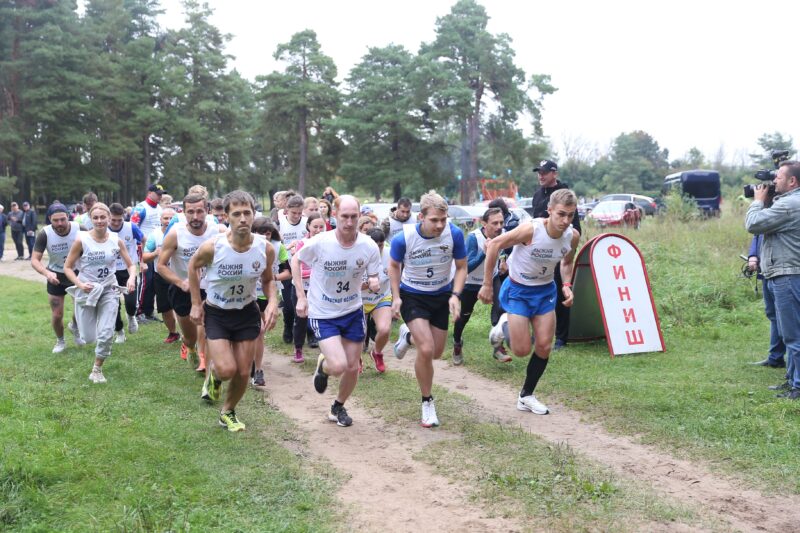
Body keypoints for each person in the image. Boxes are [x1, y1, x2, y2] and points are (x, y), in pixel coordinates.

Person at [478, 189, 580, 415]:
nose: (565, 221)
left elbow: (566, 262)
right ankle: (502, 326)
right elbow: (494, 245)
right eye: (561, 214)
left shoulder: (572, 236)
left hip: (545, 292)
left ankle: (526, 396)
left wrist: (566, 285)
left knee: (544, 346)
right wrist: (487, 284)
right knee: (522, 350)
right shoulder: (530, 230)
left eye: (571, 215)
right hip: (518, 290)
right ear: (549, 210)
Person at [189, 190, 278, 432]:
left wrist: (271, 303)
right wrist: (197, 303)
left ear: (253, 215)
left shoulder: (265, 248)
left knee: (242, 370)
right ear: (226, 216)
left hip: (247, 311)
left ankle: (227, 411)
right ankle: (215, 376)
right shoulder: (213, 247)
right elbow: (193, 267)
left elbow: (269, 280)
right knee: (227, 369)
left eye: (247, 213)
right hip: (217, 312)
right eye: (236, 214)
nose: (242, 219)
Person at [294, 195, 382, 427]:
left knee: (353, 366)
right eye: (345, 216)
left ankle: (338, 406)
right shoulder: (321, 242)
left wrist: (373, 280)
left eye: (354, 216)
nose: (350, 222)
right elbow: (295, 260)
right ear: (334, 215)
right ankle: (323, 368)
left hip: (352, 310)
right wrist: (301, 298)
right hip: (323, 312)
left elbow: (373, 273)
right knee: (338, 365)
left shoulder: (368, 245)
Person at [389, 192, 467, 428]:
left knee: (435, 353)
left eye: (443, 219)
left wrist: (455, 295)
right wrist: (395, 298)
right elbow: (393, 265)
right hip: (413, 295)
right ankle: (427, 402)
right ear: (421, 217)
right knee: (426, 348)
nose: (440, 225)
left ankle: (408, 336)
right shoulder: (404, 238)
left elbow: (462, 267)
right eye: (434, 220)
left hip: (441, 295)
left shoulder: (454, 234)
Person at [63, 202, 137, 383]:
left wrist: (131, 278)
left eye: (103, 217)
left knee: (106, 332)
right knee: (88, 338)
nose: (99, 221)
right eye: (95, 217)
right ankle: (75, 326)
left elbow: (130, 264)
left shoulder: (116, 239)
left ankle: (97, 369)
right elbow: (68, 268)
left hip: (109, 288)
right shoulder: (81, 240)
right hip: (87, 290)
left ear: (109, 218)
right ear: (90, 219)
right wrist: (79, 284)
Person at [745, 161, 800, 400]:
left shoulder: (789, 204)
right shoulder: (787, 202)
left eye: (778, 177)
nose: (773, 181)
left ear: (792, 181)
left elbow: (753, 224)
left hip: (788, 276)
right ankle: (791, 380)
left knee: (794, 335)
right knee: (790, 334)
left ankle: (798, 386)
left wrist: (757, 201)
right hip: (785, 274)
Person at [158, 193, 225, 372]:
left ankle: (206, 362)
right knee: (190, 336)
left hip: (210, 288)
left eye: (200, 211)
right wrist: (181, 283)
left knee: (208, 327)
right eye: (190, 212)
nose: (195, 217)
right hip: (183, 289)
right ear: (183, 212)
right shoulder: (175, 234)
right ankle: (190, 347)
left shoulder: (218, 231)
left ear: (207, 211)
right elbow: (161, 266)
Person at [530, 159, 582, 350]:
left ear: (555, 174)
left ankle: (561, 338)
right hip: (537, 252)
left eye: (544, 172)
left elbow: (575, 227)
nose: (540, 176)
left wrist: (564, 245)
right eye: (539, 172)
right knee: (537, 292)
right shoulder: (537, 195)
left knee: (561, 292)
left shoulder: (565, 196)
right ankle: (537, 333)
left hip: (558, 251)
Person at [452, 207, 508, 365]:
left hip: (493, 278)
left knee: (501, 309)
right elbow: (466, 266)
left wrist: (504, 261)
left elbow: (505, 252)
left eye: (501, 222)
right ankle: (457, 343)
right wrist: (484, 252)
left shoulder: (503, 235)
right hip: (471, 283)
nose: (499, 227)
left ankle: (498, 347)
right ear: (484, 223)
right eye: (494, 223)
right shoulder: (473, 237)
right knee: (464, 316)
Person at [30, 202, 85, 352]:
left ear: (68, 216)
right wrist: (47, 273)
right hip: (56, 276)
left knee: (80, 309)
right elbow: (34, 260)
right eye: (55, 220)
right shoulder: (45, 233)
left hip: (76, 274)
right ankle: (60, 341)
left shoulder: (79, 229)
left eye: (62, 219)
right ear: (49, 219)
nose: (60, 223)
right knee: (57, 313)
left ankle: (75, 328)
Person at [251, 217, 291, 387]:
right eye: (261, 234)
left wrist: (271, 278)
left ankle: (257, 369)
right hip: (249, 296)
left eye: (267, 234)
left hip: (268, 296)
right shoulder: (247, 246)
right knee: (254, 332)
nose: (265, 238)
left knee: (259, 332)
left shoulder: (277, 247)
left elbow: (287, 272)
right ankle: (250, 364)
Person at [290, 213, 327, 363]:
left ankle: (325, 350)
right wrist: (312, 272)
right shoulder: (302, 243)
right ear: (308, 227)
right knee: (301, 319)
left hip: (320, 289)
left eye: (321, 227)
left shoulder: (328, 242)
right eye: (315, 227)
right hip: (301, 288)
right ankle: (298, 348)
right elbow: (297, 266)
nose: (318, 230)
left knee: (323, 318)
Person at [142, 207, 181, 344]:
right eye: (166, 218)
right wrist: (155, 253)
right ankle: (173, 333)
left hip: (180, 275)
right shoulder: (155, 235)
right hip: (161, 275)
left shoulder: (183, 233)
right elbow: (145, 257)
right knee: (165, 307)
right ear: (160, 220)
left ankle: (189, 334)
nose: (169, 221)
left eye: (172, 218)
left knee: (183, 306)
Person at [747, 234, 786, 368]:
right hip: (766, 270)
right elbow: (757, 233)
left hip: (783, 272)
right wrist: (752, 255)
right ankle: (775, 357)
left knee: (787, 318)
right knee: (773, 315)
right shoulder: (765, 214)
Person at [108, 203, 144, 343]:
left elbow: (143, 240)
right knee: (113, 304)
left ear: (124, 217)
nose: (116, 223)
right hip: (111, 272)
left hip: (129, 270)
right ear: (109, 218)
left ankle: (131, 316)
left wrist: (142, 260)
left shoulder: (131, 227)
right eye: (113, 220)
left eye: (119, 220)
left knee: (130, 301)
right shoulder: (103, 230)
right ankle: (120, 331)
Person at [131, 184, 166, 322]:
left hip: (157, 248)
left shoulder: (160, 208)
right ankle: (138, 312)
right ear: (149, 192)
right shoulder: (141, 208)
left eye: (161, 193)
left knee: (153, 281)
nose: (160, 196)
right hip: (144, 249)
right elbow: (132, 227)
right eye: (158, 193)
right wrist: (140, 248)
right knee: (145, 281)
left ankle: (149, 311)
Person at [362, 228, 392, 373]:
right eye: (375, 244)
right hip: (358, 300)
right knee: (359, 334)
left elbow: (396, 274)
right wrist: (369, 284)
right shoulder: (357, 254)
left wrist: (397, 298)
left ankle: (377, 353)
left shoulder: (390, 253)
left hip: (381, 297)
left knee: (385, 329)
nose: (377, 248)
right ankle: (356, 359)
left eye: (380, 245)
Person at [278, 195, 308, 344]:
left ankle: (310, 333)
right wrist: (288, 247)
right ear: (286, 210)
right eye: (293, 213)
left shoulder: (307, 222)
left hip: (305, 268)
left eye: (299, 213)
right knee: (289, 305)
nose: (297, 216)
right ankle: (288, 326)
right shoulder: (280, 223)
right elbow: (274, 245)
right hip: (287, 268)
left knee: (306, 301)